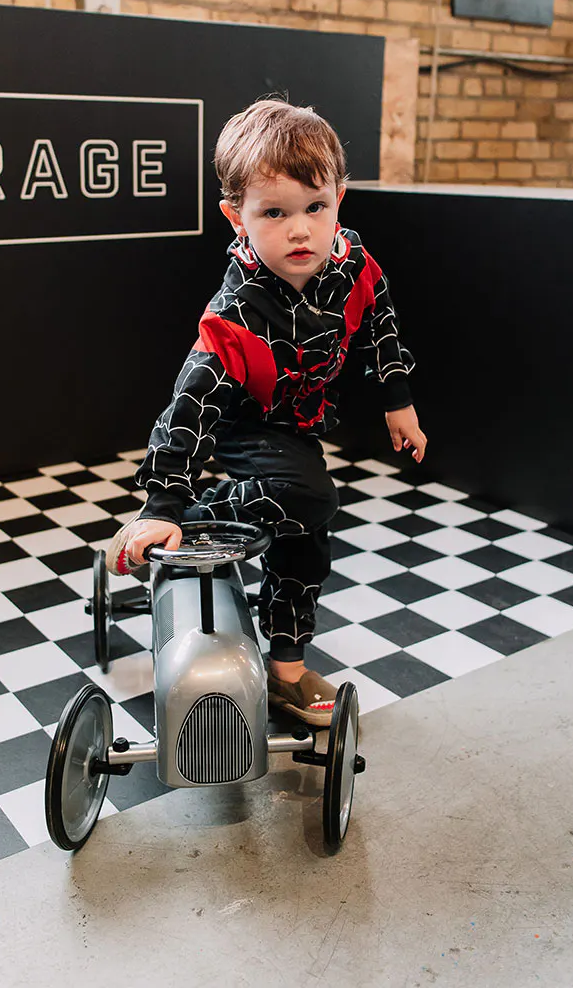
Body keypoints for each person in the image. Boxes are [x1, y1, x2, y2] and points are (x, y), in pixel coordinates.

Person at [106, 98, 427, 726]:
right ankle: (188, 524)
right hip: (238, 422)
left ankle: (286, 668)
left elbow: (381, 329)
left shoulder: (355, 266)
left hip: (297, 422)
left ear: (340, 197)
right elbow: (187, 409)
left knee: (306, 532)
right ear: (237, 216)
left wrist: (399, 400)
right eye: (274, 213)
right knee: (311, 496)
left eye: (316, 208)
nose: (300, 230)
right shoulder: (237, 314)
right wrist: (162, 505)